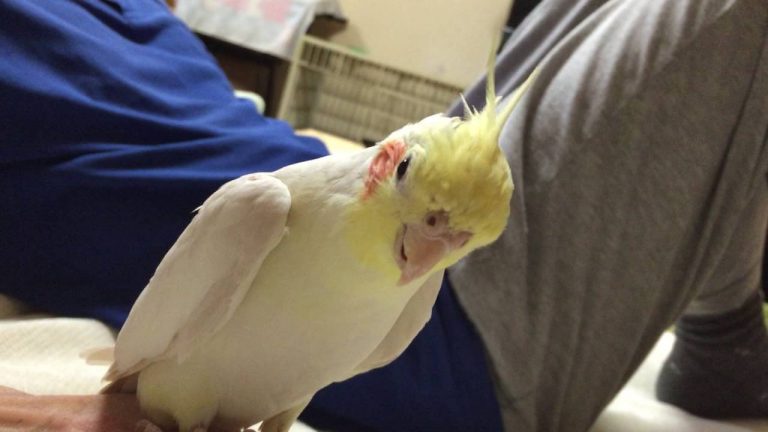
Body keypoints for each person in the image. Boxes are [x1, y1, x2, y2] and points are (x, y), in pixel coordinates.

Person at [1, 0, 766, 432]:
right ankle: (725, 337)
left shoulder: (421, 275)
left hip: (418, 258)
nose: (424, 257)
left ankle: (722, 334)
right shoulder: (255, 210)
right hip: (475, 352)